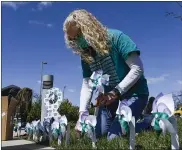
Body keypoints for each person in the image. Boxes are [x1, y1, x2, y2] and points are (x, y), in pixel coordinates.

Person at [63, 9, 149, 140]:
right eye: (73, 39)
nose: (77, 42)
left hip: (134, 92)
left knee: (112, 137)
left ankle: (148, 124)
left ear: (88, 29)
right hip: (109, 97)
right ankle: (123, 124)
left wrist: (115, 93)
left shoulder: (117, 38)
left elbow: (137, 68)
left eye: (78, 36)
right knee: (97, 135)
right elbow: (87, 84)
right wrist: (82, 114)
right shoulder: (86, 55)